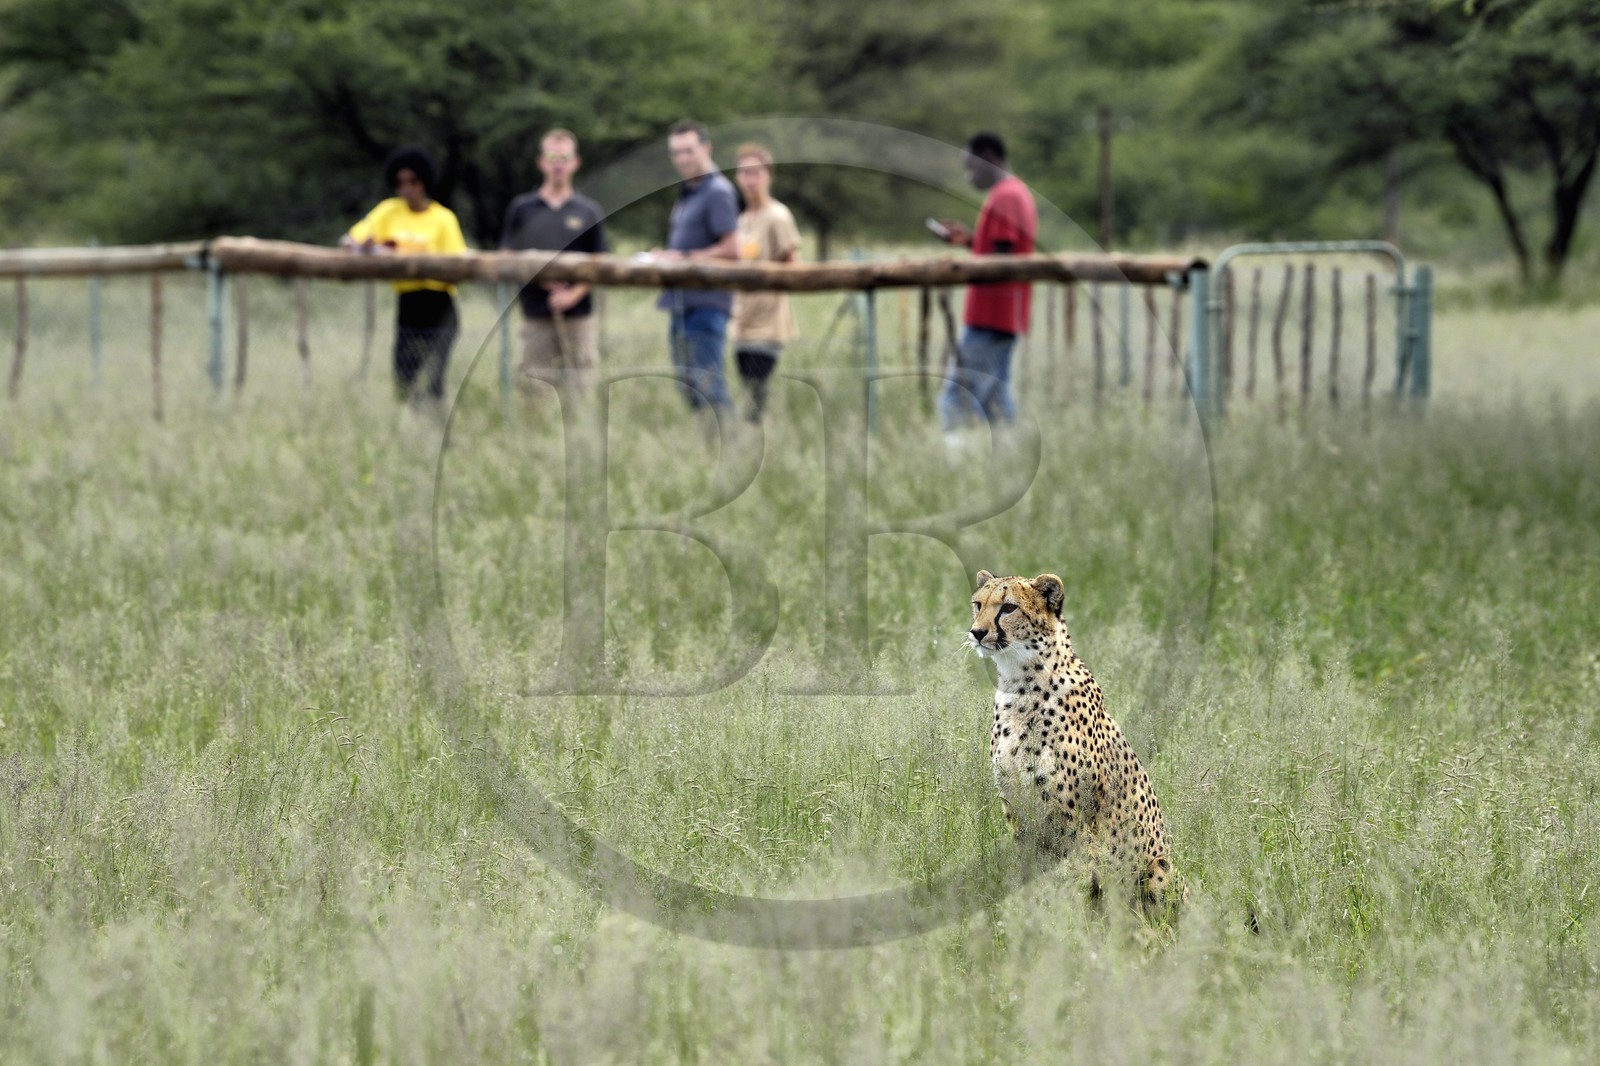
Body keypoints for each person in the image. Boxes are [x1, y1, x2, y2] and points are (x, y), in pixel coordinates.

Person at [341, 146, 468, 402]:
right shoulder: (389, 211)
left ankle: (435, 428)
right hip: (408, 303)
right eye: (400, 182)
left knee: (433, 380)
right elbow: (350, 239)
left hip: (438, 304)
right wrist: (361, 246)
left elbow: (458, 267)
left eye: (413, 181)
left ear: (424, 181)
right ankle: (409, 428)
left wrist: (420, 263)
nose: (407, 188)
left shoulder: (443, 218)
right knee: (404, 377)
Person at [933, 131, 1038, 434]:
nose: (969, 175)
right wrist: (969, 241)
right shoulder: (1015, 193)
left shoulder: (1006, 196)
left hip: (991, 313)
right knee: (995, 399)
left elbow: (1001, 257)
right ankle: (1011, 459)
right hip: (1003, 313)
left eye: (971, 166)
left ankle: (955, 465)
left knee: (957, 398)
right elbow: (1000, 248)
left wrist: (960, 267)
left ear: (988, 157)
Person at [500, 127, 608, 402]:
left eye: (564, 157)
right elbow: (507, 257)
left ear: (575, 162)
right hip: (535, 315)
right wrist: (540, 278)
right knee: (533, 391)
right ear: (541, 162)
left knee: (581, 392)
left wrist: (573, 294)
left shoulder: (588, 210)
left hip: (578, 317)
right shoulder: (522, 208)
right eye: (552, 157)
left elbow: (601, 262)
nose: (558, 164)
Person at [657, 120, 740, 415]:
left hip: (706, 304)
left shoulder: (717, 190)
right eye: (676, 152)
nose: (682, 159)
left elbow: (732, 250)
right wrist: (668, 256)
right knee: (689, 387)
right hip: (682, 302)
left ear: (706, 148)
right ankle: (708, 452)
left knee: (710, 387)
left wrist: (685, 258)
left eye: (689, 151)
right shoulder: (688, 191)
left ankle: (731, 450)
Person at [730, 143, 802, 423]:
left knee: (756, 390)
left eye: (755, 173)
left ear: (768, 175)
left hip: (769, 320)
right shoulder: (742, 219)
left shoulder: (777, 216)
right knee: (746, 387)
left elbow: (793, 265)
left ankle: (757, 445)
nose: (750, 180)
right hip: (742, 318)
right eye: (744, 173)